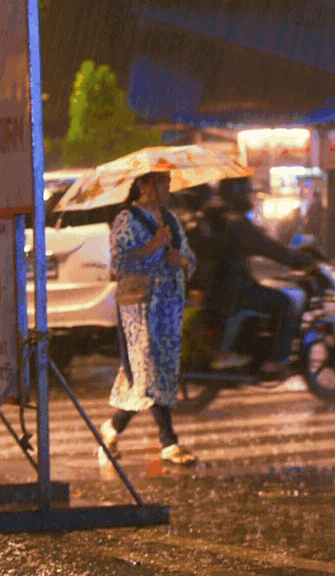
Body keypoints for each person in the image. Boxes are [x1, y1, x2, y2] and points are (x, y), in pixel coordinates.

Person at [99, 169, 198, 466]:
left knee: (155, 374)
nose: (166, 187)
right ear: (143, 185)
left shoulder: (171, 219)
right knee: (150, 370)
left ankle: (112, 427)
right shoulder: (126, 219)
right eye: (160, 182)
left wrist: (181, 260)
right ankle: (169, 442)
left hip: (169, 305)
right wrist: (153, 246)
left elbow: (190, 258)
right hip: (141, 308)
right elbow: (119, 263)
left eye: (167, 182)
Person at [210, 176, 319, 376]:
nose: (249, 198)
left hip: (222, 285)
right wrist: (300, 260)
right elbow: (268, 248)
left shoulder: (217, 216)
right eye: (246, 192)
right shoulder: (236, 223)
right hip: (234, 287)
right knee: (284, 303)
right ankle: (277, 361)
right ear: (238, 194)